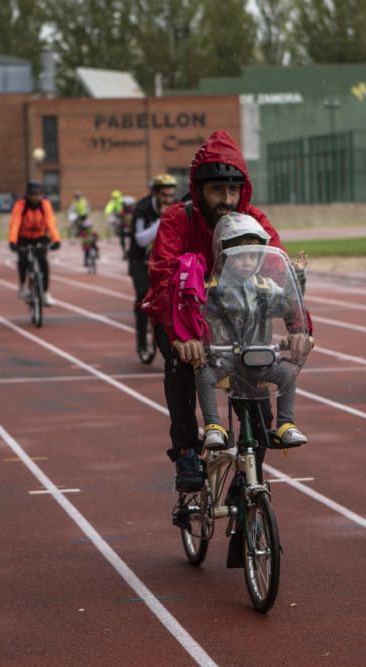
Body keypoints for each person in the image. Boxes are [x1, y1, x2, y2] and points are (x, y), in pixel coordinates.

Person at [141, 130, 312, 493]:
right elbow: (162, 280)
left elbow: (280, 274)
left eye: (234, 190)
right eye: (218, 190)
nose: (228, 199)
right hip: (186, 319)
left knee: (260, 384)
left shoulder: (254, 222)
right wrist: (180, 336)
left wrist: (299, 327)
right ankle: (187, 449)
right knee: (182, 365)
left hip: (241, 320)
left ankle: (248, 480)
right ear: (199, 188)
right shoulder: (177, 220)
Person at [196, 213, 309, 451]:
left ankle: (286, 424)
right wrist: (197, 341)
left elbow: (287, 304)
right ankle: (213, 425)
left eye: (253, 256)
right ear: (221, 253)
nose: (247, 262)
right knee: (204, 374)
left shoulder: (264, 286)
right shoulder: (211, 289)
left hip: (258, 357)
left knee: (287, 373)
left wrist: (296, 280)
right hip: (223, 357)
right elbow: (197, 316)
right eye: (239, 256)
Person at [130, 174, 177, 356]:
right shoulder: (142, 208)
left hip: (164, 262)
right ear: (155, 193)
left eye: (171, 196)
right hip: (140, 261)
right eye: (164, 195)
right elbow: (141, 239)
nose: (167, 200)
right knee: (143, 299)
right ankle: (142, 343)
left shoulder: (175, 207)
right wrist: (161, 221)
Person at [8, 181, 62, 307]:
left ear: (42, 195)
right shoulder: (20, 205)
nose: (35, 198)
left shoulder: (45, 205)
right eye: (32, 195)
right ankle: (22, 285)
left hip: (40, 236)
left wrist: (56, 239)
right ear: (27, 195)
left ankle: (46, 292)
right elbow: (15, 223)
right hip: (24, 237)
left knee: (43, 262)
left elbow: (50, 222)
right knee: (23, 260)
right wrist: (12, 241)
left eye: (38, 195)